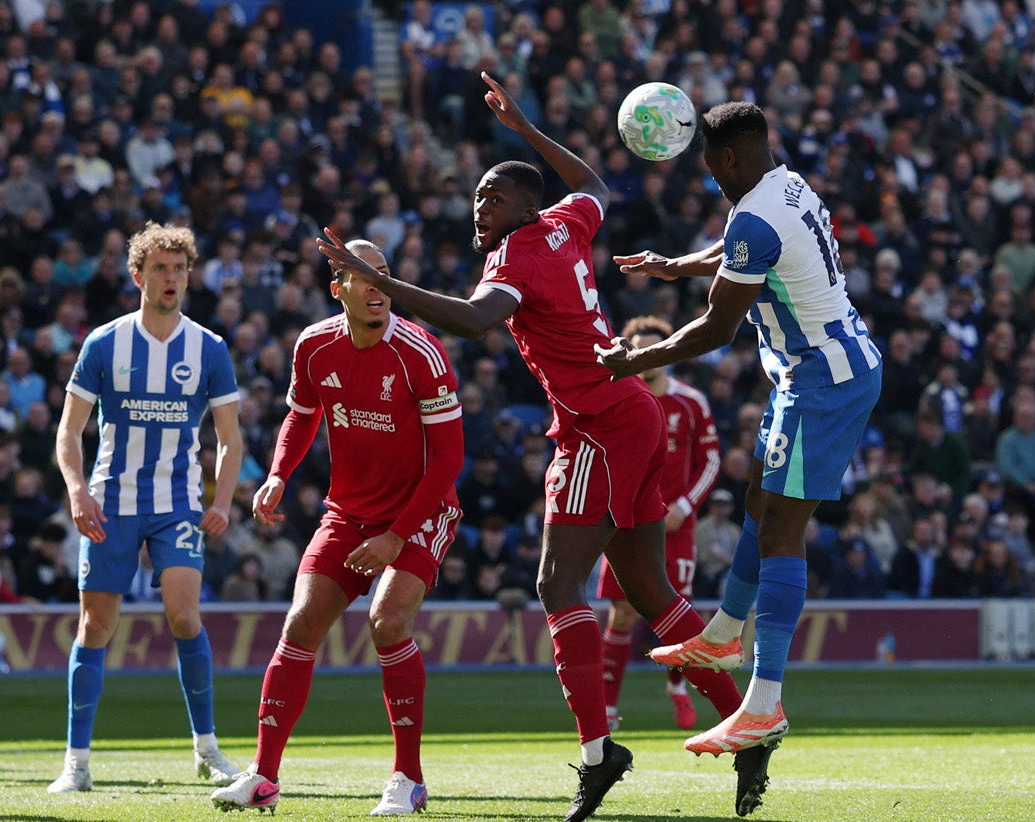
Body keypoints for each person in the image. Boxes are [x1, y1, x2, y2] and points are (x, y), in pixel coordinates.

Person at [318, 73, 745, 822]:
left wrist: (379, 281)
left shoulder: (516, 255)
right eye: (478, 196)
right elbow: (594, 184)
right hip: (628, 412)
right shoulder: (567, 222)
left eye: (493, 197)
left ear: (522, 208)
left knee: (556, 584)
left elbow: (474, 320)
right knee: (650, 592)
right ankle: (747, 724)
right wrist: (523, 128)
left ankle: (598, 754)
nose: (479, 206)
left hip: (598, 425)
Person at [597, 100, 882, 815]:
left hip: (825, 381)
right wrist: (674, 266)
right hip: (808, 373)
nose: (707, 173)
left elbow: (716, 328)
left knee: (782, 528)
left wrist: (636, 361)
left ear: (726, 158)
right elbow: (737, 254)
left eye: (707, 162)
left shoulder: (754, 218)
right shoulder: (784, 186)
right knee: (758, 499)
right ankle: (723, 634)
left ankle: (764, 703)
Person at [211, 240, 464, 816]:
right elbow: (301, 416)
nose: (378, 286)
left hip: (420, 513)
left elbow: (449, 458)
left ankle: (408, 779)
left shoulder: (420, 352)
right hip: (348, 513)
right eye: (363, 276)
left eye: (384, 275)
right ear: (337, 289)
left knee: (387, 622)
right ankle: (263, 777)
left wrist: (396, 536)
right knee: (300, 623)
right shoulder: (314, 345)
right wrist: (278, 475)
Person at [51, 222, 243, 793]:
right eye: (160, 268)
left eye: (179, 268)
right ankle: (76, 762)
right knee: (96, 625)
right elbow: (69, 430)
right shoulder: (105, 343)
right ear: (138, 276)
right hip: (111, 500)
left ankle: (207, 749)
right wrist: (77, 490)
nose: (171, 277)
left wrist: (222, 500)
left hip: (177, 502)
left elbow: (230, 438)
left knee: (184, 615)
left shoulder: (208, 348)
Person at [596, 316, 721, 733]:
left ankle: (678, 687)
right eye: (637, 349)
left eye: (653, 350)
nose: (645, 357)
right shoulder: (616, 396)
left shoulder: (691, 402)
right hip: (626, 524)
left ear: (667, 354)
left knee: (675, 613)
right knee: (622, 613)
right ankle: (606, 709)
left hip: (674, 525)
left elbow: (711, 460)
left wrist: (684, 506)